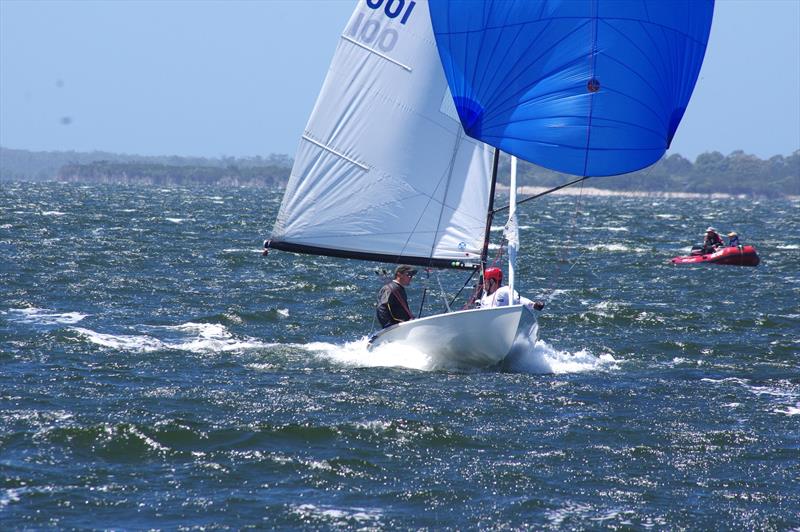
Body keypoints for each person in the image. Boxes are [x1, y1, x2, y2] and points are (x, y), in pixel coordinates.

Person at [478, 267, 544, 311]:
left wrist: (534, 305)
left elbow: (519, 299)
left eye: (485, 281)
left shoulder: (503, 291)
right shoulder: (485, 295)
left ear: (492, 281)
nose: (483, 284)